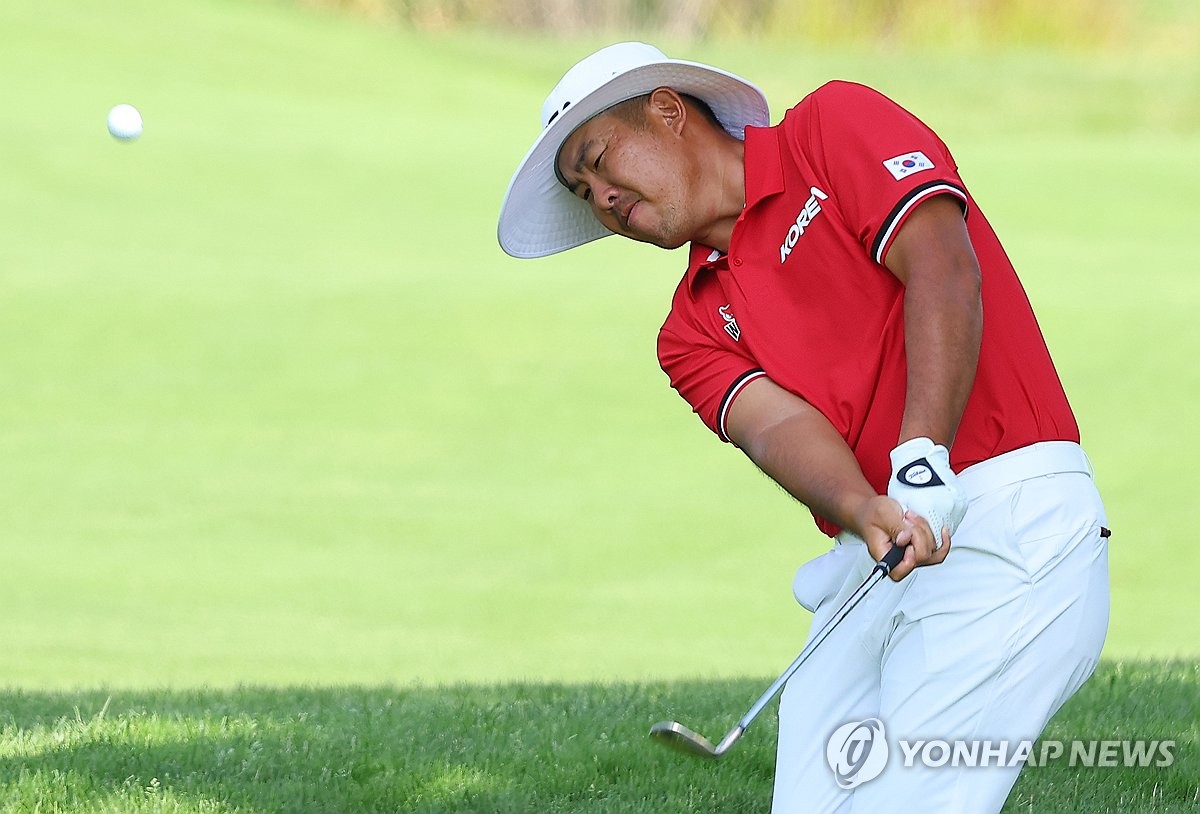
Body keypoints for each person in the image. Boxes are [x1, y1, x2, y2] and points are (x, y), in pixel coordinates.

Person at [497, 42, 1110, 813]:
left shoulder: (831, 126)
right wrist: (863, 509)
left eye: (598, 158)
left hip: (1011, 518)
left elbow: (943, 267)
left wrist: (920, 458)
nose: (602, 198)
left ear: (666, 109)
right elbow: (775, 425)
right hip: (882, 547)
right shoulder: (688, 329)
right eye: (583, 191)